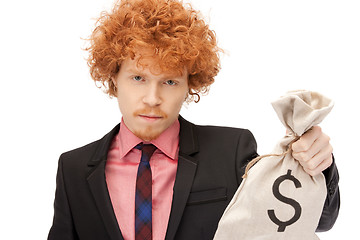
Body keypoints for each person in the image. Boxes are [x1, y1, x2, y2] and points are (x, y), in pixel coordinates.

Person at [48, 0, 340, 239]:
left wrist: (318, 165)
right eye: (138, 78)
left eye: (170, 82)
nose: (152, 97)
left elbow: (316, 221)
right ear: (114, 79)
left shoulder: (231, 150)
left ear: (191, 84)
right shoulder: (73, 169)